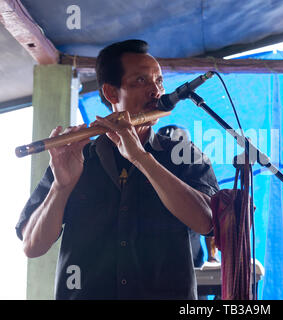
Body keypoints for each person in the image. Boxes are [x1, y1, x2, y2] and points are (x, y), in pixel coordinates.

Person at [16, 39, 219, 300]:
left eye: (158, 81)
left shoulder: (184, 154)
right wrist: (61, 186)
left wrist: (141, 158)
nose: (156, 91)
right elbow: (32, 246)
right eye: (141, 81)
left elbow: (208, 222)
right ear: (112, 93)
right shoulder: (77, 155)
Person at [156, 124, 219, 267]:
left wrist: (212, 257)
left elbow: (209, 215)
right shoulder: (151, 169)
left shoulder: (193, 170)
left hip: (190, 258)